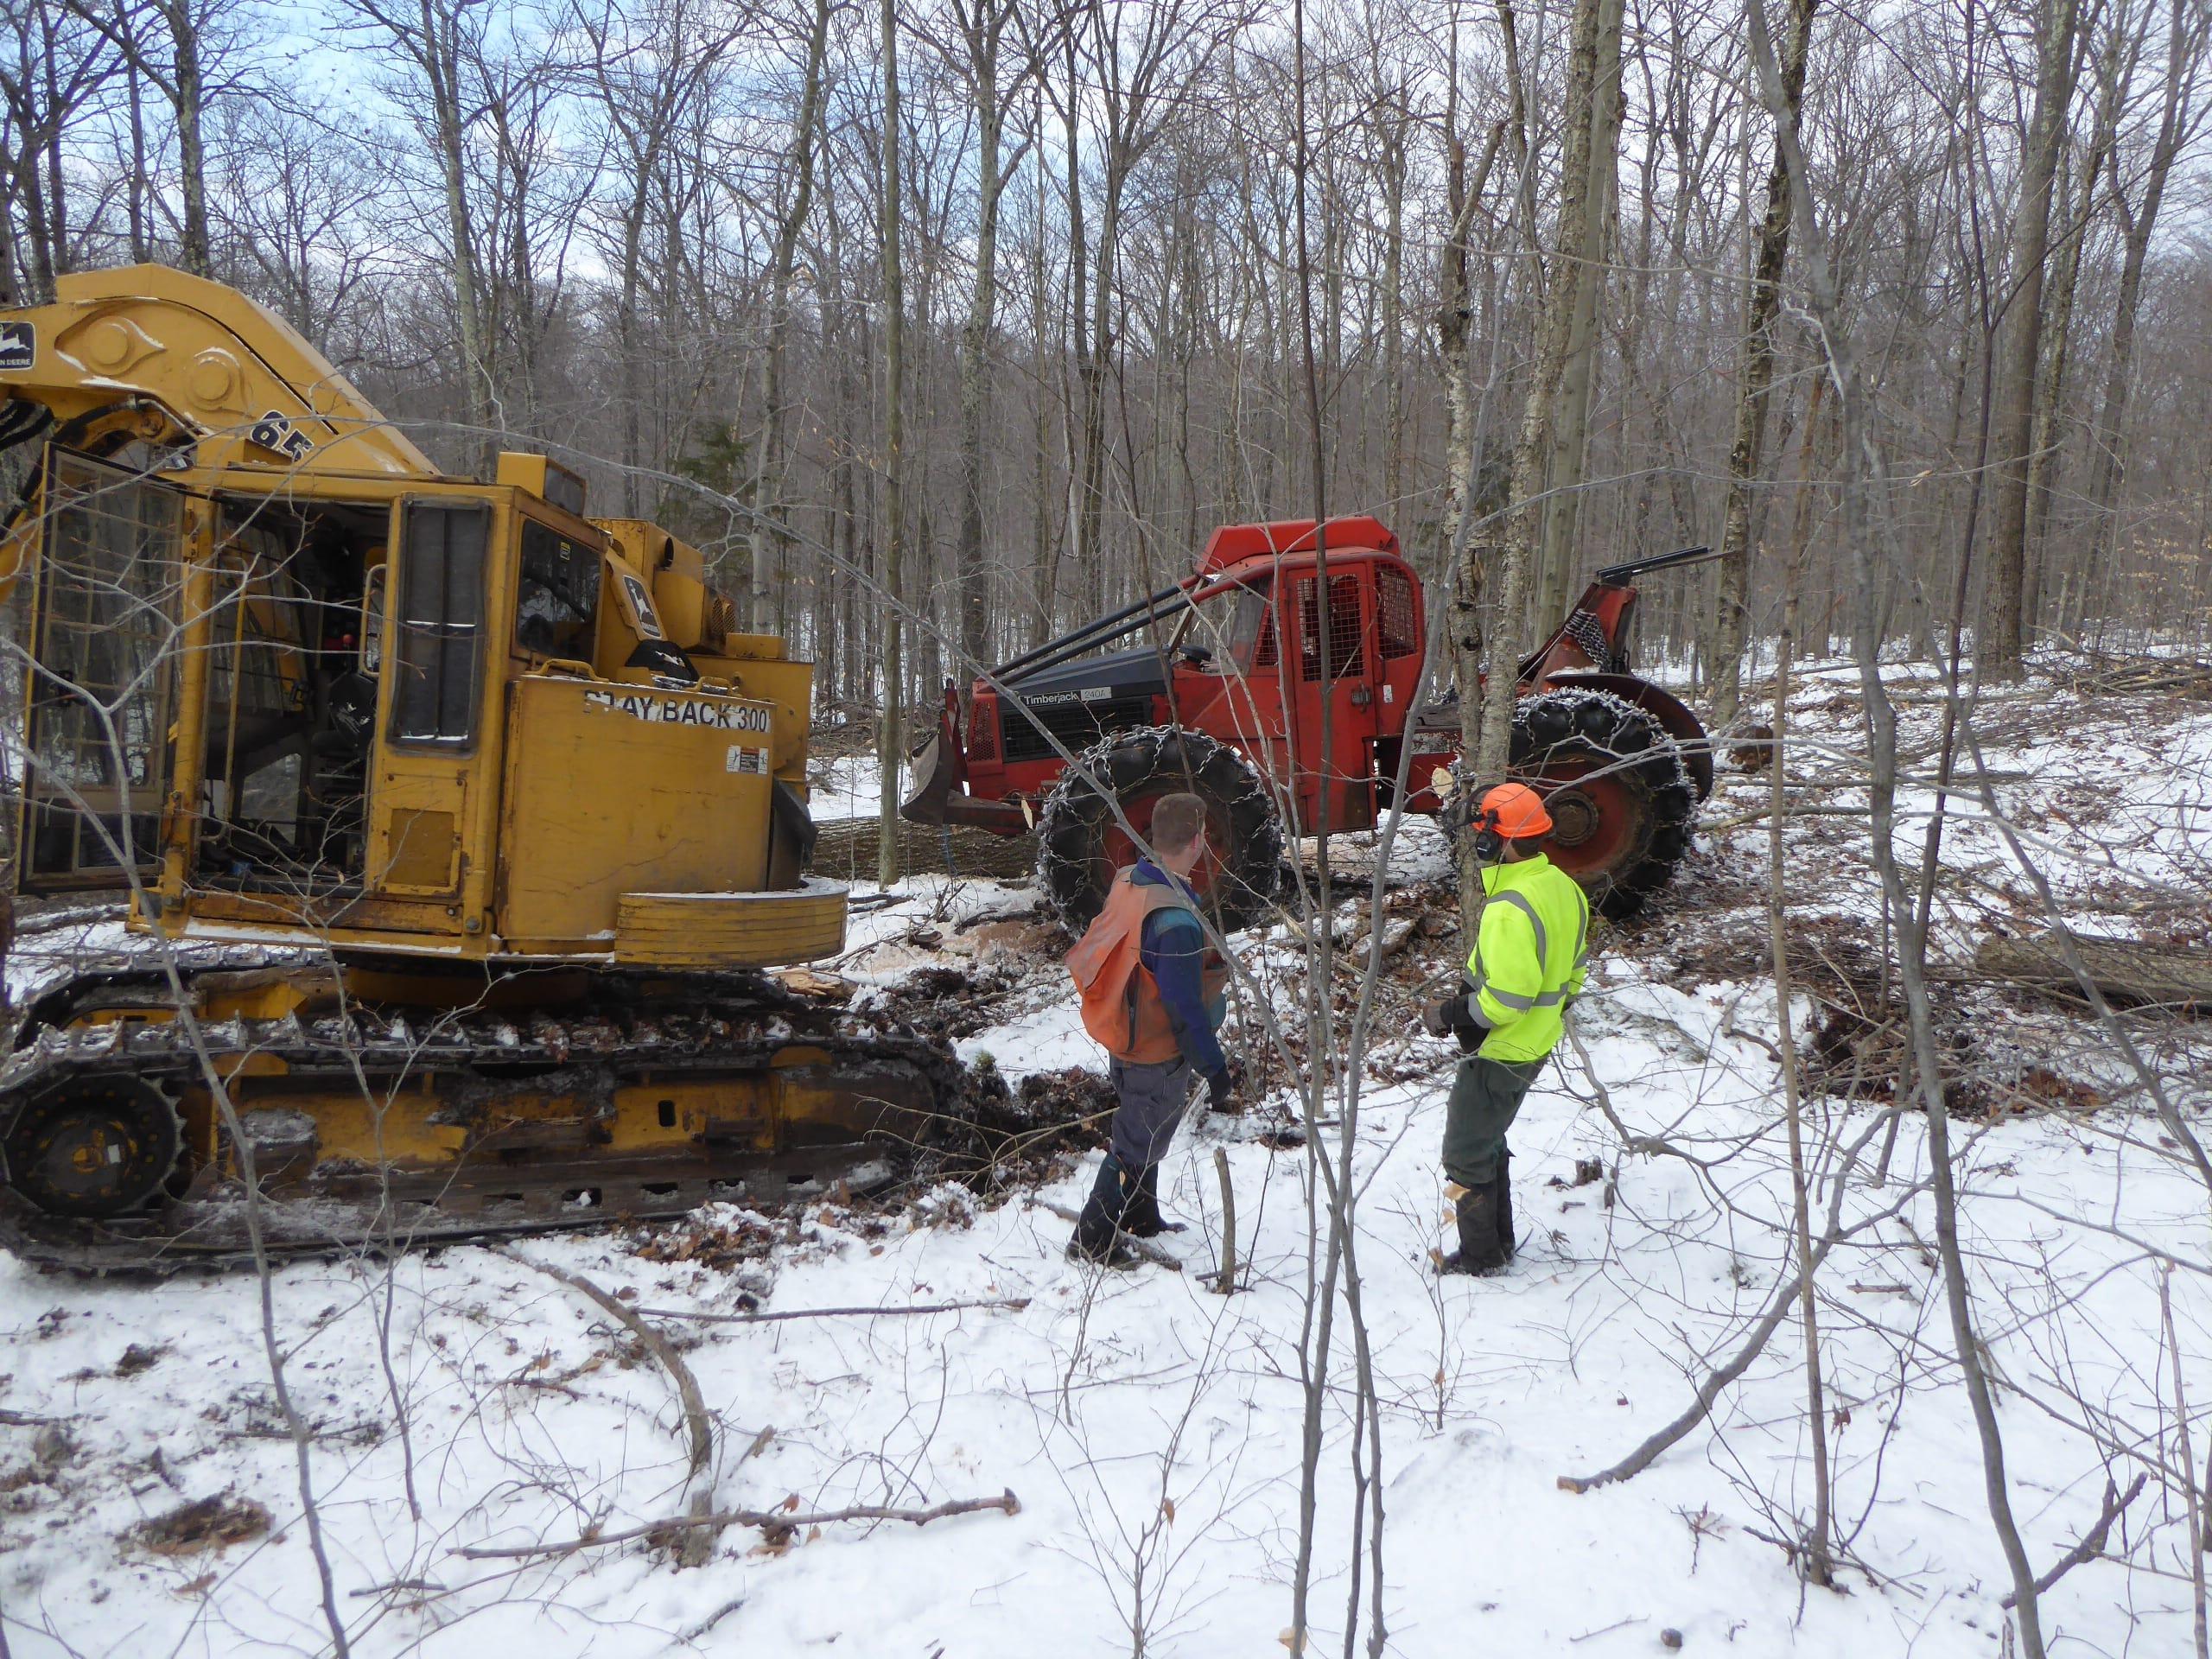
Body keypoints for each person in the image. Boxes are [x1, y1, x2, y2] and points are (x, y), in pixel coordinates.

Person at [1421, 781, 1590, 1274]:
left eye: (1481, 833)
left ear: (1496, 841)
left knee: (1466, 1152)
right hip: (1534, 1042)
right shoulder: (1563, 887)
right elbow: (1576, 971)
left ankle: (1480, 1257)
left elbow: (1509, 999)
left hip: (1503, 1049)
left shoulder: (1511, 907)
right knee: (1489, 1140)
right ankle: (1499, 1244)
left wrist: (1451, 1014)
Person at [1064, 791, 1231, 1267]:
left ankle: (1140, 1214)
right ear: (1197, 841)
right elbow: (1183, 1008)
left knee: (1147, 1131)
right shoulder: (1175, 921)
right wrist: (1213, 1067)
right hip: (1154, 1048)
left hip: (1126, 1031)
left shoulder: (1132, 880)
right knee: (1137, 1141)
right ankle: (1092, 1238)